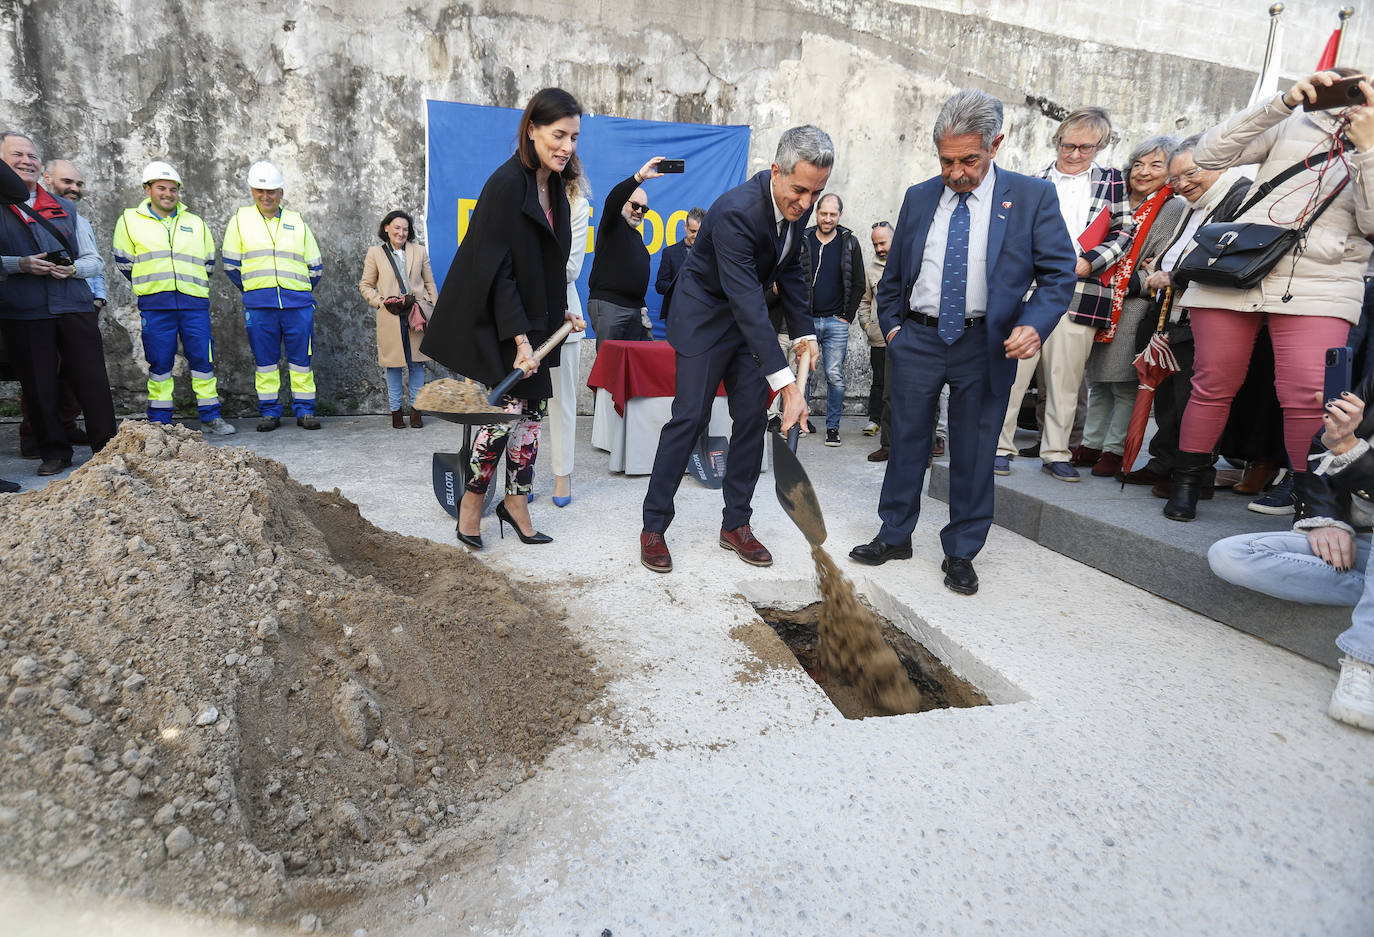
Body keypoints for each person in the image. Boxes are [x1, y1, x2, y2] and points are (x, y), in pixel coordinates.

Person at [848, 89, 1077, 595]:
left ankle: (961, 550)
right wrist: (893, 329)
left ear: (996, 143)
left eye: (968, 160)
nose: (956, 173)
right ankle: (894, 535)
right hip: (919, 339)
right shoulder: (920, 195)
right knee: (905, 441)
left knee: (974, 450)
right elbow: (895, 277)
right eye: (947, 160)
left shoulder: (1031, 198)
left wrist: (1035, 324)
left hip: (985, 343)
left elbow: (1059, 275)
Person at [1163, 71, 1374, 522]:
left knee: (1308, 395)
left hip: (1323, 277)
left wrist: (1369, 149)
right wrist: (1281, 103)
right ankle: (1187, 482)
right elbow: (1210, 153)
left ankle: (1307, 499)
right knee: (1212, 383)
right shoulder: (1299, 119)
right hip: (1240, 266)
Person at [639, 125, 828, 573]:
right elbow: (746, 301)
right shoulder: (737, 212)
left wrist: (806, 335)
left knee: (749, 420)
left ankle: (735, 524)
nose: (804, 204)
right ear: (776, 171)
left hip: (744, 325)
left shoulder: (795, 211)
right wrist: (787, 385)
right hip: (705, 319)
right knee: (690, 418)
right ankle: (653, 526)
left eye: (815, 194)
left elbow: (793, 275)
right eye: (799, 190)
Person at [421, 87, 585, 549]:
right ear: (531, 129)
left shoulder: (553, 184)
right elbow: (499, 272)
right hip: (502, 323)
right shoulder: (505, 184)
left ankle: (516, 503)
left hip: (537, 324)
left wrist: (560, 314)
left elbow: (543, 261)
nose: (567, 147)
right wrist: (519, 342)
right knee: (500, 419)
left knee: (531, 418)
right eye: (558, 135)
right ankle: (472, 504)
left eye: (573, 137)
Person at [1208, 371, 1374, 731]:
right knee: (1230, 555)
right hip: (1362, 541)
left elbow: (1344, 451)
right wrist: (1327, 519)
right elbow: (1321, 444)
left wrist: (1350, 450)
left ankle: (1365, 660)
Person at [994, 106, 1135, 481]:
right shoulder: (1034, 179)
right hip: (1031, 290)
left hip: (1083, 288)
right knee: (1014, 373)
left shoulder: (1112, 180)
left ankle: (1056, 451)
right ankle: (999, 447)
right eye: (1068, 145)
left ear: (1099, 146)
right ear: (1057, 141)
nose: (1075, 154)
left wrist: (1091, 261)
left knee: (1065, 379)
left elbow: (1124, 232)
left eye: (1085, 148)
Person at [1121, 137, 1251, 493]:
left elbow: (1228, 255)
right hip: (1168, 312)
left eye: (1190, 173)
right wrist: (1162, 266)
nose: (1182, 184)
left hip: (1204, 314)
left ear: (1220, 163)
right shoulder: (1191, 203)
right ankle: (1164, 463)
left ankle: (1192, 475)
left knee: (1194, 399)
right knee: (1167, 397)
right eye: (1175, 178)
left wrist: (1173, 275)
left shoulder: (1239, 196)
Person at [0, 131, 118, 477]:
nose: (26, 161)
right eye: (16, 155)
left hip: (73, 305)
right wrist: (18, 264)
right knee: (38, 385)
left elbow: (93, 260)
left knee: (91, 380)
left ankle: (107, 447)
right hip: (23, 309)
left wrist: (72, 269)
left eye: (32, 155)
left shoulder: (66, 208)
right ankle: (54, 451)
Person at [1074, 135, 1178, 477]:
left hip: (1133, 303)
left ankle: (1113, 449)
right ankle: (1090, 443)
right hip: (1099, 297)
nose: (1144, 172)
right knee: (1098, 380)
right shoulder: (1115, 197)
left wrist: (1137, 277)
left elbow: (1156, 261)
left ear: (1169, 172)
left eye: (1155, 165)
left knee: (1123, 382)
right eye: (1138, 164)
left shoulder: (1170, 206)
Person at [112, 161, 235, 435]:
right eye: (161, 188)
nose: (167, 193)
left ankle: (211, 417)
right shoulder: (130, 221)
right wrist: (154, 283)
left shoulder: (195, 223)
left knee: (203, 362)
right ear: (148, 190)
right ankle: (160, 420)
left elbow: (208, 263)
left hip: (194, 304)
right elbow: (124, 262)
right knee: (160, 362)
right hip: (156, 305)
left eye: (172, 189)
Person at [221, 160, 324, 432]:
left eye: (272, 191)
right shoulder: (240, 221)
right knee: (265, 362)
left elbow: (315, 265)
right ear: (252, 192)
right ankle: (269, 412)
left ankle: (305, 411)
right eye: (260, 191)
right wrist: (256, 290)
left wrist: (296, 290)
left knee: (301, 360)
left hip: (298, 303)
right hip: (260, 305)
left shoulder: (296, 221)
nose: (266, 197)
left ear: (281, 193)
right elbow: (231, 265)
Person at [15, 158, 103, 458]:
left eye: (78, 184)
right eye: (68, 182)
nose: (74, 189)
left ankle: (72, 430)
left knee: (79, 378)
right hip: (33, 305)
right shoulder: (16, 212)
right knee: (39, 379)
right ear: (48, 178)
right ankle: (39, 439)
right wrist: (20, 265)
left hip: (79, 302)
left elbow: (94, 262)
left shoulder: (76, 217)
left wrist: (97, 296)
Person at [359, 210, 437, 428]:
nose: (401, 233)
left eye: (405, 229)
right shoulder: (375, 253)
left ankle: (416, 411)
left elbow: (430, 283)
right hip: (390, 316)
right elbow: (365, 285)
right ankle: (395, 412)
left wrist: (433, 307)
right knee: (393, 365)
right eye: (397, 228)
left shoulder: (419, 251)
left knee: (417, 364)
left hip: (416, 314)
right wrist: (381, 301)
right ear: (386, 228)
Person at [800, 193, 865, 446]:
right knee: (804, 376)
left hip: (836, 323)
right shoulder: (803, 239)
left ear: (839, 215)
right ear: (816, 213)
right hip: (807, 322)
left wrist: (846, 317)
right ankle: (801, 420)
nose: (827, 219)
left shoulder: (849, 242)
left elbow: (859, 283)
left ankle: (833, 427)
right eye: (823, 213)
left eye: (832, 214)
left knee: (834, 375)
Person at [547, 163, 591, 508]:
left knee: (561, 403)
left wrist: (526, 271)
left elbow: (571, 268)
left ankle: (563, 475)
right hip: (522, 319)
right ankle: (522, 475)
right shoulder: (522, 195)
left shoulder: (578, 205)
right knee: (521, 407)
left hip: (565, 319)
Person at [587, 161, 663, 348]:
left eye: (644, 209)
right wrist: (640, 177)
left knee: (631, 368)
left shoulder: (637, 238)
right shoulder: (613, 225)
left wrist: (642, 307)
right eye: (635, 205)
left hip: (635, 311)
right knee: (610, 368)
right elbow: (612, 200)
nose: (639, 212)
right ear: (624, 203)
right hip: (610, 306)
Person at [857, 220, 892, 459]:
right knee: (881, 383)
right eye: (875, 244)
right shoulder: (871, 269)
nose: (879, 248)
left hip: (905, 339)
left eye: (883, 242)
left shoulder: (907, 263)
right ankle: (877, 423)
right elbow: (865, 301)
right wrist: (868, 326)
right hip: (879, 338)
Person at [654, 205, 704, 321]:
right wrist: (681, 286)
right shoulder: (670, 252)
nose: (695, 236)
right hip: (676, 315)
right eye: (692, 231)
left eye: (699, 232)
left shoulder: (710, 254)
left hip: (703, 316)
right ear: (685, 226)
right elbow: (660, 285)